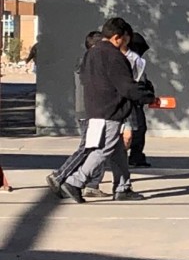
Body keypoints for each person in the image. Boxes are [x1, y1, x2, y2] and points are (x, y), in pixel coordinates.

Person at [60, 17, 154, 203]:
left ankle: (123, 186)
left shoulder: (91, 54)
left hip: (95, 107)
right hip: (110, 109)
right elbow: (126, 86)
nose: (127, 43)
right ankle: (74, 181)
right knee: (103, 149)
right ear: (118, 37)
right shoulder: (114, 56)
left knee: (118, 149)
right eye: (126, 39)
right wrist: (148, 97)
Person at [46, 31, 110, 198]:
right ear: (95, 46)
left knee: (98, 147)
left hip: (92, 109)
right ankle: (59, 175)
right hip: (89, 110)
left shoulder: (89, 61)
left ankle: (92, 184)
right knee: (88, 147)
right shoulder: (88, 61)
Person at [125, 31, 154, 168]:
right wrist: (147, 95)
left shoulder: (127, 58)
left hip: (131, 100)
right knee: (137, 129)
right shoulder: (134, 60)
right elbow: (139, 82)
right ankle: (135, 157)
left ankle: (135, 156)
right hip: (132, 101)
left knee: (136, 129)